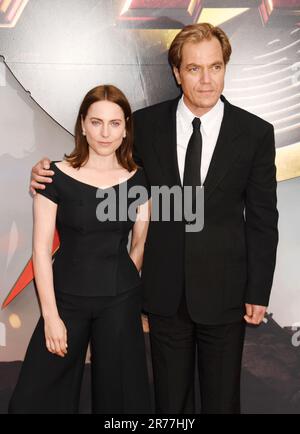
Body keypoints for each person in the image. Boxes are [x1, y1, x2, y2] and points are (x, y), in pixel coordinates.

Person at [30, 23, 279, 414]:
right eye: (194, 68)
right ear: (177, 73)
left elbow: (263, 219)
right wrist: (47, 173)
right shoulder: (143, 126)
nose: (206, 79)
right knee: (169, 405)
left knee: (222, 402)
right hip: (163, 295)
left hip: (227, 293)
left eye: (215, 67)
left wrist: (258, 291)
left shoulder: (255, 133)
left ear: (226, 68)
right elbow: (100, 161)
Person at [9, 85, 151, 414]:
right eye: (96, 122)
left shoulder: (138, 179)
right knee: (36, 400)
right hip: (65, 303)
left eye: (114, 123)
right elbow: (41, 251)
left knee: (123, 403)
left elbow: (141, 240)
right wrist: (51, 317)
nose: (105, 132)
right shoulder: (52, 176)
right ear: (83, 125)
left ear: (126, 127)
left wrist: (123, 283)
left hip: (121, 301)